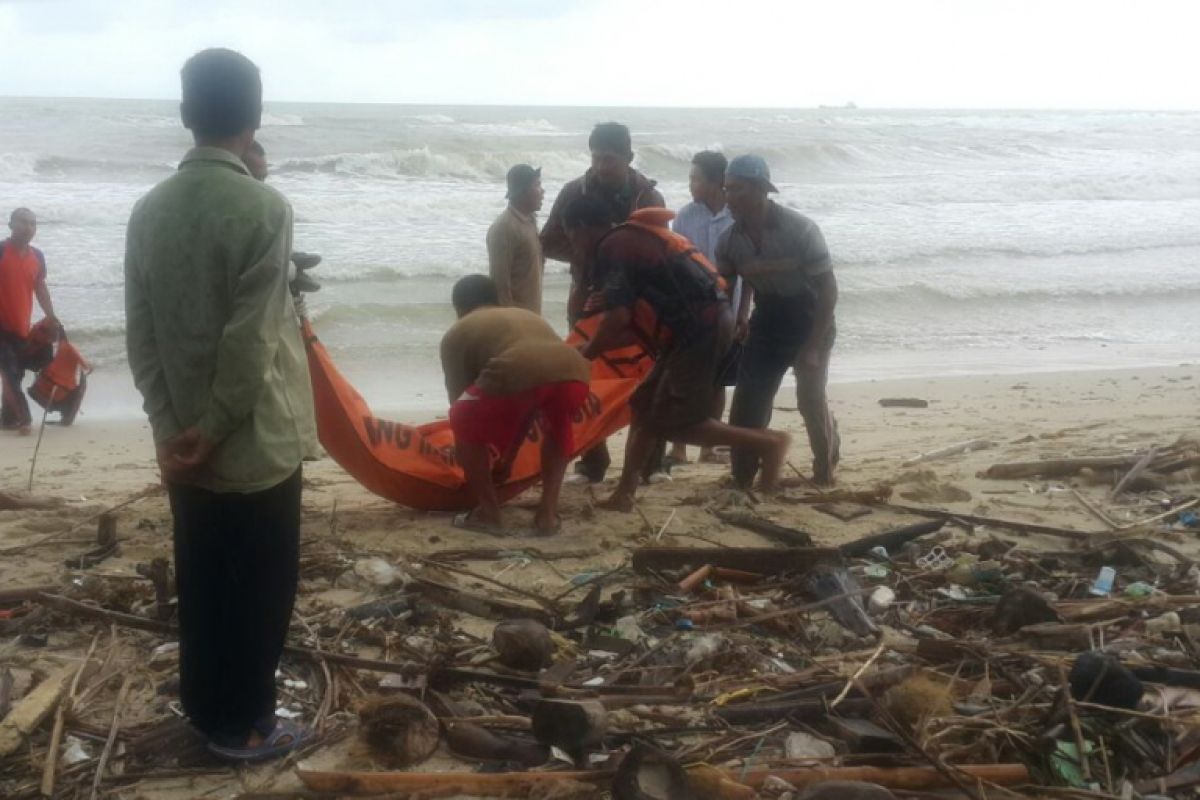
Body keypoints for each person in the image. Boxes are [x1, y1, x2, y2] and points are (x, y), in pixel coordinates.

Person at [124, 48, 317, 762]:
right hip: (252, 438)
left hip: (181, 440)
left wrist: (170, 427)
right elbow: (252, 338)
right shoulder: (265, 206)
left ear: (185, 116)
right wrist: (215, 428)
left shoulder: (149, 210)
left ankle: (209, 712)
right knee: (263, 589)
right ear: (256, 117)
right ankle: (247, 728)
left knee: (203, 582)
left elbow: (140, 329)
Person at [565, 196, 791, 512]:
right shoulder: (633, 238)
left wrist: (585, 354)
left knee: (678, 423)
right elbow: (631, 325)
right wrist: (587, 349)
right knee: (643, 404)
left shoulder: (612, 247)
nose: (573, 247)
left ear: (581, 228)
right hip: (696, 326)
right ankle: (625, 494)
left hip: (700, 330)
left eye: (571, 237)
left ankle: (769, 443)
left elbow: (616, 320)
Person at [540, 122, 665, 484]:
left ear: (628, 157)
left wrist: (618, 256)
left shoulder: (648, 197)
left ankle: (652, 463)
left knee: (645, 379)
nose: (600, 166)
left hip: (641, 301)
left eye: (608, 159)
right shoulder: (573, 192)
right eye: (595, 158)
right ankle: (592, 463)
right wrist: (587, 253)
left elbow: (662, 250)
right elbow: (547, 241)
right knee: (582, 376)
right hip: (586, 296)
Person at [717, 155, 840, 487]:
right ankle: (742, 477)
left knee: (810, 398)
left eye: (737, 190)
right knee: (748, 400)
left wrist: (814, 346)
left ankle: (825, 471)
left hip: (810, 317)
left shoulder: (800, 230)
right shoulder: (728, 241)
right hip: (768, 318)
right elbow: (725, 292)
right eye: (727, 189)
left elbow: (828, 290)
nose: (729, 198)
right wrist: (732, 324)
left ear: (761, 190)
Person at [441, 275, 591, 535]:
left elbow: (461, 403)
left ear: (459, 307)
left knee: (460, 418)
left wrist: (480, 458)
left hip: (518, 368)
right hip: (576, 370)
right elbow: (530, 404)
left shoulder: (458, 331)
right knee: (558, 429)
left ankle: (488, 513)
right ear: (495, 301)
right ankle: (547, 515)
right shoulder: (524, 315)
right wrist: (508, 459)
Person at [668, 151, 736, 466]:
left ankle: (708, 447)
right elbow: (675, 265)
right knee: (684, 380)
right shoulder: (684, 217)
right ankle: (679, 448)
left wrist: (743, 315)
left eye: (696, 178)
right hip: (691, 312)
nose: (691, 184)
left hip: (728, 312)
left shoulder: (736, 217)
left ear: (716, 182)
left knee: (717, 381)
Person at [0, 207, 59, 434]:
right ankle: (24, 419)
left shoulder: (37, 257)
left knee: (15, 373)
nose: (29, 227)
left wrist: (51, 316)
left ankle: (6, 419)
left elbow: (40, 287)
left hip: (21, 327)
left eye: (33, 223)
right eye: (23, 222)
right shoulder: (2, 251)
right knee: (10, 372)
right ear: (10, 224)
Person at [244, 140, 321, 296]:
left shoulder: (263, 208)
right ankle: (290, 263)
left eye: (262, 179)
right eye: (252, 179)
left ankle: (289, 257)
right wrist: (287, 270)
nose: (261, 187)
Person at [486, 164, 545, 313]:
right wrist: (511, 323)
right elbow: (500, 283)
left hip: (532, 315)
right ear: (523, 191)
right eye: (537, 185)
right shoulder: (504, 228)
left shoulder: (530, 219)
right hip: (518, 320)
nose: (542, 191)